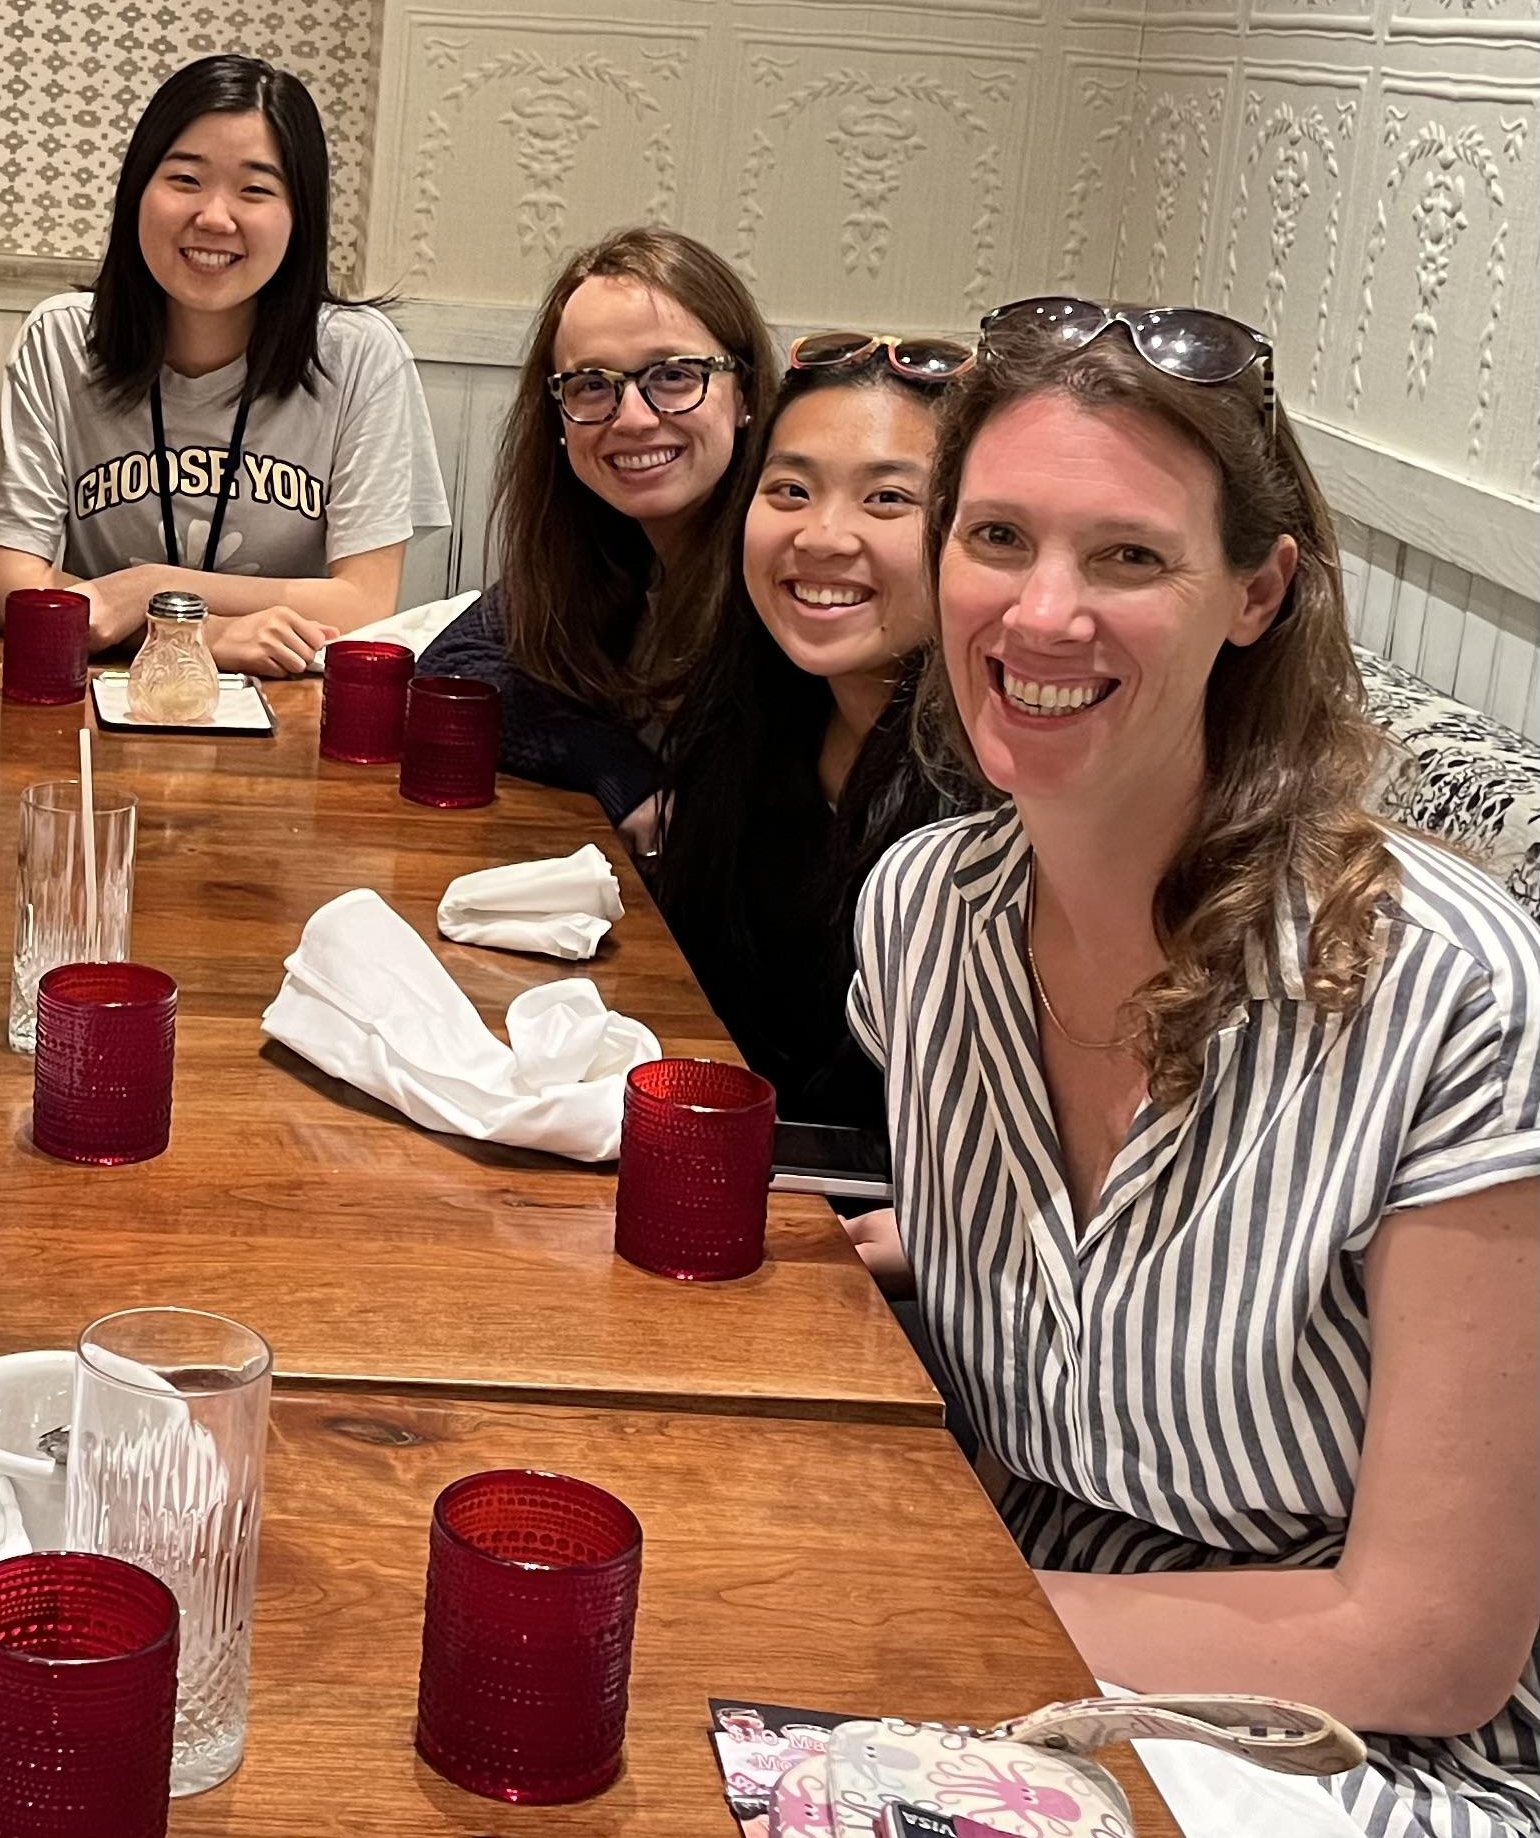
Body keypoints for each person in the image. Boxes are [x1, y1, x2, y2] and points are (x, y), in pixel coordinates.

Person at [848, 298, 1540, 1835]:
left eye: (1126, 558)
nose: (1039, 614)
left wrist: (885, 1611)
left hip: (1360, 1753)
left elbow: (1429, 1642)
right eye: (997, 537)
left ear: (1256, 591)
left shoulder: (1442, 988)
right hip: (1009, 1677)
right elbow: (1065, 1273)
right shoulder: (917, 915)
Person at [0, 54, 446, 679]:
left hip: (289, 709)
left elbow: (363, 602)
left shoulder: (359, 356)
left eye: (255, 189)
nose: (215, 217)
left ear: (300, 216)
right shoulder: (62, 343)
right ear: (138, 190)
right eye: (186, 180)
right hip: (101, 701)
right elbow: (10, 586)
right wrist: (197, 635)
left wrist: (145, 588)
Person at [652, 330, 973, 1129]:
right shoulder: (751, 719)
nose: (820, 536)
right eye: (789, 490)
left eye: (887, 499)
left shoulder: (1001, 788)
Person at [413, 226, 773, 846]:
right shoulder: (612, 541)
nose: (631, 417)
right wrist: (619, 774)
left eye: (675, 375)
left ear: (744, 393)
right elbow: (454, 672)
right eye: (591, 385)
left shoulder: (779, 567)